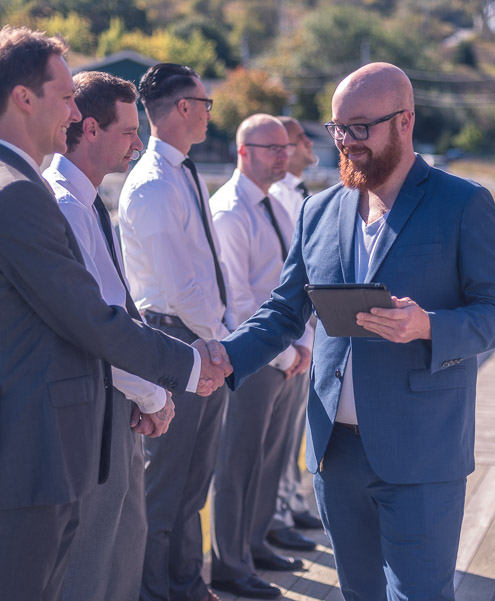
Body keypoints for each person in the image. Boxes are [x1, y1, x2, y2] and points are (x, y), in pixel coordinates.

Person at [216, 63, 495, 601]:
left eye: (360, 127)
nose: (345, 142)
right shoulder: (318, 209)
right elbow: (284, 313)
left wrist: (428, 325)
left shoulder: (463, 204)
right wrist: (221, 358)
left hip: (422, 450)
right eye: (336, 128)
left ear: (404, 121)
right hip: (336, 454)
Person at [0, 27, 228, 601]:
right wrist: (189, 365)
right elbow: (91, 318)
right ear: (25, 98)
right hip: (24, 462)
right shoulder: (15, 193)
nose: (75, 112)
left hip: (36, 455)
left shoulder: (2, 182)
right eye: (66, 95)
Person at [41, 70, 162, 601]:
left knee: (121, 544)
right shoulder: (68, 205)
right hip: (95, 407)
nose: (138, 143)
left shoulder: (86, 202)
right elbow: (101, 323)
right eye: (129, 131)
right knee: (92, 561)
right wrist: (155, 394)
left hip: (115, 400)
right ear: (90, 129)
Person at [116, 62, 230, 601]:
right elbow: (180, 285)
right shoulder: (155, 183)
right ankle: (157, 593)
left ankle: (186, 583)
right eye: (205, 102)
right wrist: (219, 344)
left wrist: (217, 337)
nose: (210, 112)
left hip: (198, 337)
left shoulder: (183, 172)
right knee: (164, 490)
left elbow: (202, 272)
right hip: (178, 341)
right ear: (183, 108)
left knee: (193, 482)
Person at [209, 115, 310, 600]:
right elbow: (238, 301)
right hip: (255, 359)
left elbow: (296, 283)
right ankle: (229, 563)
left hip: (288, 353)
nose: (283, 155)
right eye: (272, 148)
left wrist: (304, 343)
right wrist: (287, 349)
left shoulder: (277, 206)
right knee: (239, 463)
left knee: (271, 458)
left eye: (285, 147)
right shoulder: (229, 211)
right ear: (243, 151)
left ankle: (254, 544)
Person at [264, 117, 323, 553]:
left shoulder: (299, 194)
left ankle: (289, 503)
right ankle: (277, 514)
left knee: (290, 436)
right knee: (271, 445)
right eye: (297, 139)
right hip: (281, 339)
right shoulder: (279, 196)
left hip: (302, 336)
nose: (303, 146)